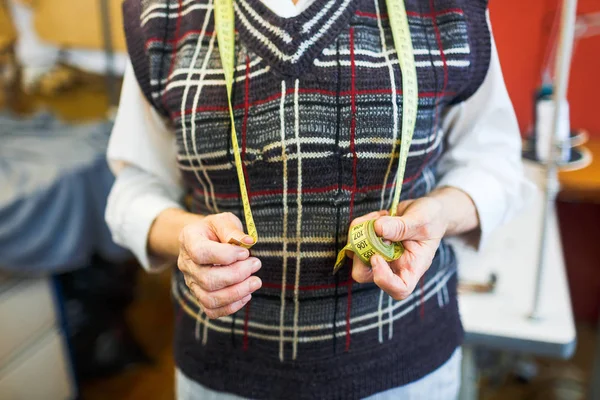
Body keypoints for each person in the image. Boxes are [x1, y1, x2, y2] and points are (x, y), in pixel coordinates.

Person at [105, 0, 529, 398]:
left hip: (404, 374)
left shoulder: (444, 8)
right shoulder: (162, 15)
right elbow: (134, 190)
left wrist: (440, 213)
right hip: (224, 377)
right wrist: (184, 237)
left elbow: (493, 162)